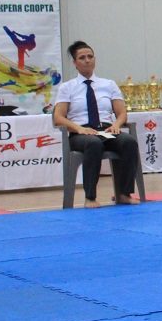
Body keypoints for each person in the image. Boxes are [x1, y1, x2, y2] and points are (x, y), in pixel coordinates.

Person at [53, 41, 141, 209]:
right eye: (82, 58)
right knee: (93, 143)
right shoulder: (67, 87)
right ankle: (90, 197)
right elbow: (58, 118)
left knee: (128, 142)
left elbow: (122, 113)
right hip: (81, 133)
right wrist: (79, 128)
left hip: (105, 130)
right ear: (74, 62)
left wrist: (116, 124)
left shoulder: (109, 84)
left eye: (90, 57)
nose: (87, 60)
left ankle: (124, 194)